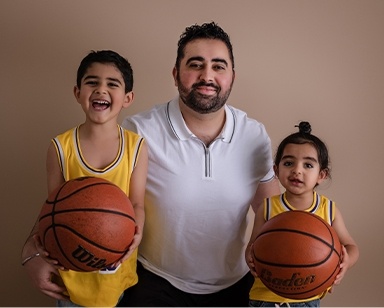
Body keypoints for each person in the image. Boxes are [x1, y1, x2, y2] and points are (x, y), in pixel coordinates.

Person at [117, 21, 281, 307]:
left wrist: (320, 254)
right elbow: (99, 202)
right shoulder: (139, 131)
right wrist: (36, 248)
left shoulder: (253, 135)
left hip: (235, 283)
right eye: (196, 64)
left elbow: (273, 210)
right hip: (156, 281)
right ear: (176, 74)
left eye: (219, 66)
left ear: (232, 76)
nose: (207, 76)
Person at [21, 50, 148, 307]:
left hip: (118, 276)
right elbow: (52, 211)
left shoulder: (137, 147)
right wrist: (34, 253)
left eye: (112, 84)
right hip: (71, 279)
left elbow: (137, 204)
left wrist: (138, 232)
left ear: (128, 98)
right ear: (77, 92)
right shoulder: (60, 147)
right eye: (92, 82)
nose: (101, 90)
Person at [245, 121, 359, 307]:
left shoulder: (328, 210)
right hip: (265, 297)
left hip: (307, 297)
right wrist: (250, 257)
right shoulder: (267, 208)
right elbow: (252, 246)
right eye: (288, 163)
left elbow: (351, 246)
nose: (297, 170)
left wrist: (346, 263)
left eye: (308, 165)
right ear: (276, 170)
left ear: (322, 175)